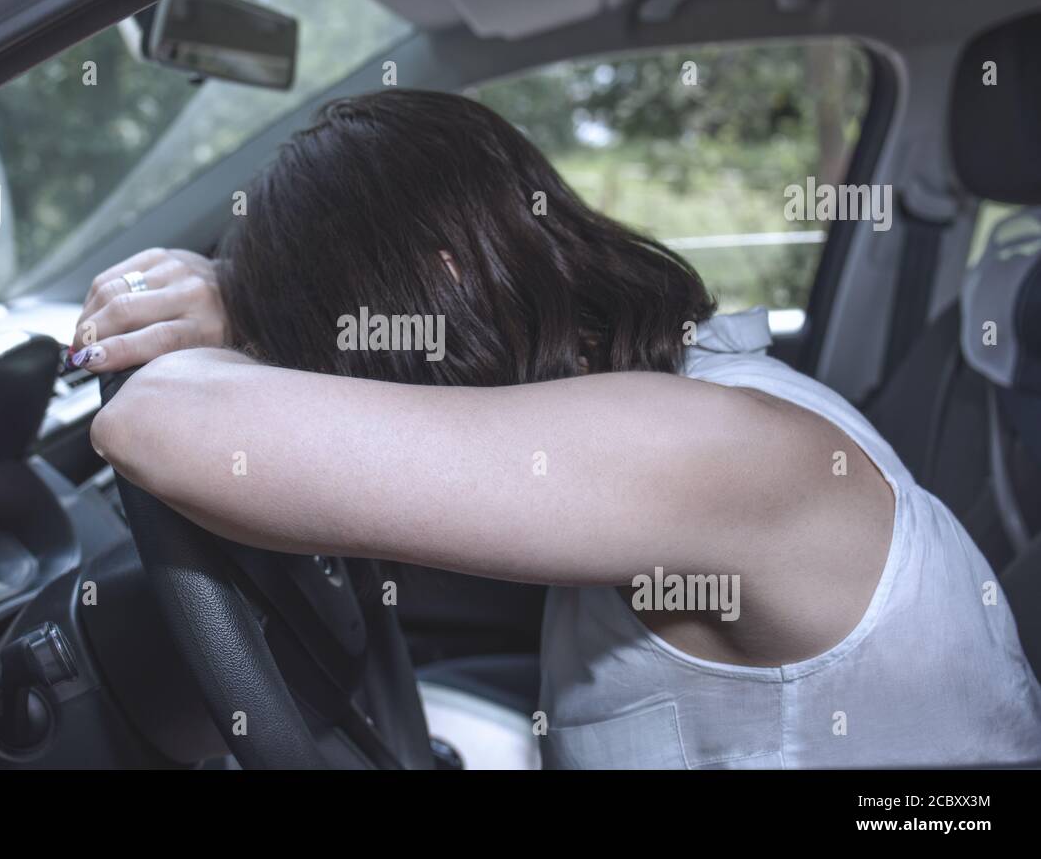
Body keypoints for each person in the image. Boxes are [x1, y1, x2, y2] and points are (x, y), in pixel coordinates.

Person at [75, 89, 1041, 767]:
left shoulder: (700, 450)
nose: (333, 390)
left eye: (318, 356)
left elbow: (160, 422)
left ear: (442, 280)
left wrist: (232, 308)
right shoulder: (670, 397)